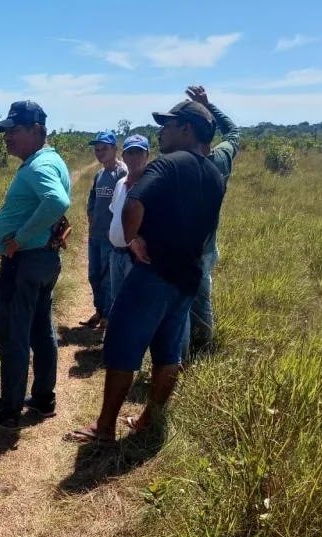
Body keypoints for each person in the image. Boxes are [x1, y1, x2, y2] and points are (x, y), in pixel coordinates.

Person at [65, 100, 225, 444]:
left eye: (168, 125)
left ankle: (104, 428)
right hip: (187, 276)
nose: (161, 131)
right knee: (169, 353)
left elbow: (135, 201)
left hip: (151, 274)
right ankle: (149, 420)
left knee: (123, 345)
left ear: (187, 128)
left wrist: (134, 237)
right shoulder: (214, 173)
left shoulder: (167, 164)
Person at [0, 101, 71, 427]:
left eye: (14, 130)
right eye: (6, 131)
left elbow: (57, 201)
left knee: (13, 334)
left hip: (25, 262)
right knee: (40, 329)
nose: (7, 137)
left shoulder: (38, 167)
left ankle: (9, 408)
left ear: (37, 131)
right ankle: (43, 398)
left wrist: (19, 237)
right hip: (41, 260)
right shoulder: (49, 160)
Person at [180, 84, 240, 358]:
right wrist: (209, 103)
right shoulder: (222, 158)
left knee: (194, 300)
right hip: (208, 245)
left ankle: (199, 351)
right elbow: (234, 132)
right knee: (200, 297)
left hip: (188, 249)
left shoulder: (180, 165)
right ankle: (199, 348)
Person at [81, 130, 127, 329]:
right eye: (97, 149)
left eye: (104, 149)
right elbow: (93, 196)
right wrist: (90, 212)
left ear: (115, 149)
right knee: (94, 275)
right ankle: (99, 311)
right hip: (95, 234)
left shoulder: (122, 172)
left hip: (111, 236)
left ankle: (108, 316)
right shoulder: (100, 174)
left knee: (108, 279)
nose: (100, 153)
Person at [107, 134, 150, 303]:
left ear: (147, 155)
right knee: (117, 300)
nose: (134, 157)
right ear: (123, 156)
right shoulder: (120, 184)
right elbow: (114, 212)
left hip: (134, 257)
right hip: (116, 253)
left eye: (138, 152)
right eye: (130, 153)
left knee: (134, 303)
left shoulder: (151, 185)